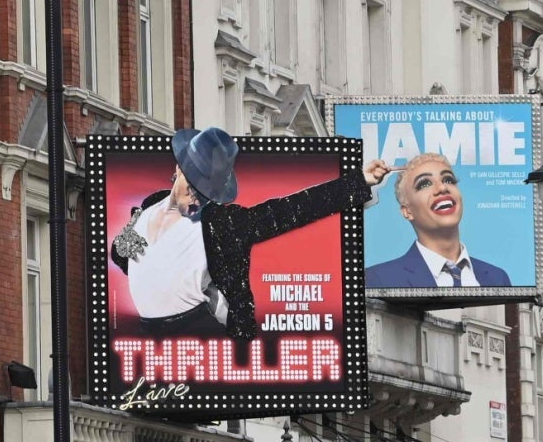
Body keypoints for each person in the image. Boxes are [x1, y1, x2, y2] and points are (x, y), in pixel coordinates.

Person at [109, 127, 395, 342]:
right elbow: (125, 258)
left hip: (194, 333)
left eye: (207, 194)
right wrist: (123, 246)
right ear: (178, 170)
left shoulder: (222, 223)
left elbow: (288, 211)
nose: (198, 199)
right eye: (194, 188)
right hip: (146, 336)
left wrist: (360, 181)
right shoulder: (148, 206)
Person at [364, 153, 513, 290]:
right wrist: (359, 182)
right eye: (424, 184)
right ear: (407, 211)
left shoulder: (498, 278)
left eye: (449, 180)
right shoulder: (378, 279)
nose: (442, 187)